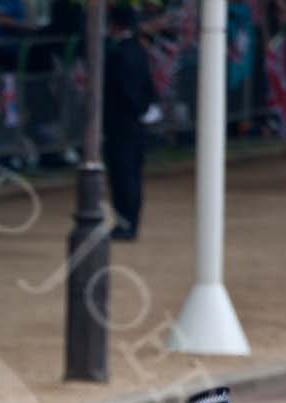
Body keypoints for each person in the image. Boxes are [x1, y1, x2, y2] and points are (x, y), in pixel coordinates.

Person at [103, 4, 154, 239]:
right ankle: (130, 221)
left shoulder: (118, 53)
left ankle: (125, 222)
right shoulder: (139, 50)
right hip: (136, 122)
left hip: (120, 122)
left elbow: (123, 90)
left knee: (122, 175)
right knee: (132, 174)